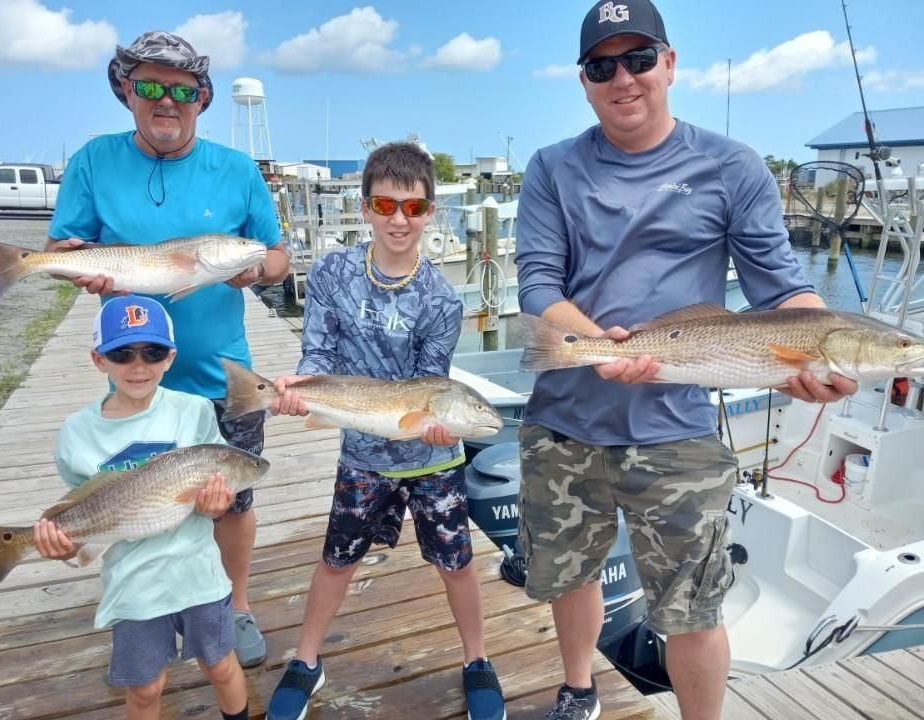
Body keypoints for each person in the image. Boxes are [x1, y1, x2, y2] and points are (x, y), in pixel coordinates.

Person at [514, 2, 859, 719]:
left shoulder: (731, 166)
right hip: (566, 421)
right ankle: (579, 689)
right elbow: (539, 281)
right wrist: (599, 348)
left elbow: (781, 286)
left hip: (678, 428)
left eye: (639, 58)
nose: (624, 78)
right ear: (584, 80)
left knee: (694, 604)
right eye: (603, 65)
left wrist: (819, 352)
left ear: (669, 64)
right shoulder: (552, 167)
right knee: (569, 574)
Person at [45, 31, 291, 667]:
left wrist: (256, 270)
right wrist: (80, 271)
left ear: (202, 100)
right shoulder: (93, 161)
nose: (166, 101)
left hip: (224, 375)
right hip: (139, 376)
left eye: (182, 90)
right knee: (134, 499)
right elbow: (69, 246)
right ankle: (145, 610)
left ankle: (233, 608)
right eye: (150, 86)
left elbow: (278, 257)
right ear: (126, 90)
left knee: (233, 501)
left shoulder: (237, 170)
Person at [262, 142, 505, 720]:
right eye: (386, 204)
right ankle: (306, 660)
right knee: (337, 558)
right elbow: (318, 351)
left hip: (429, 461)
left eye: (414, 208)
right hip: (362, 455)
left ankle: (477, 660)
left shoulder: (443, 298)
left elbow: (431, 383)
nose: (399, 219)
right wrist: (299, 390)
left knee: (458, 563)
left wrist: (442, 432)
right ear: (366, 206)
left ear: (430, 214)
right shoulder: (330, 274)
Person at [33, 295, 249, 720]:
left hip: (198, 573)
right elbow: (79, 513)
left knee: (222, 665)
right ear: (99, 360)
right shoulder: (76, 433)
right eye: (121, 353)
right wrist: (60, 546)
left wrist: (218, 505)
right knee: (146, 689)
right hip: (132, 584)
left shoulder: (195, 410)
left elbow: (214, 495)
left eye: (151, 353)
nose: (138, 366)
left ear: (170, 358)